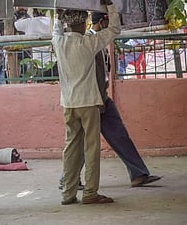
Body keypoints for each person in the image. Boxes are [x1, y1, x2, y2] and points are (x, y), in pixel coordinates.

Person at [58, 11, 161, 190]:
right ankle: (68, 180)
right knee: (85, 143)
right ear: (102, 21)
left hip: (97, 97)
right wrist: (100, 101)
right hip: (94, 99)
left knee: (116, 136)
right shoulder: (90, 43)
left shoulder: (92, 41)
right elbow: (96, 75)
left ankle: (138, 173)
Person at [52, 0, 120, 205]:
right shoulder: (89, 43)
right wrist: (108, 1)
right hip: (89, 102)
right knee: (91, 149)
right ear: (82, 24)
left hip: (68, 103)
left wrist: (58, 13)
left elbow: (56, 28)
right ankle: (90, 192)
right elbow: (115, 29)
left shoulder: (59, 43)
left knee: (71, 148)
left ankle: (67, 193)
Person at [14, 9, 57, 79]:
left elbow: (15, 25)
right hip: (53, 61)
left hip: (37, 63)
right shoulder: (52, 21)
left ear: (33, 12)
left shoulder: (29, 22)